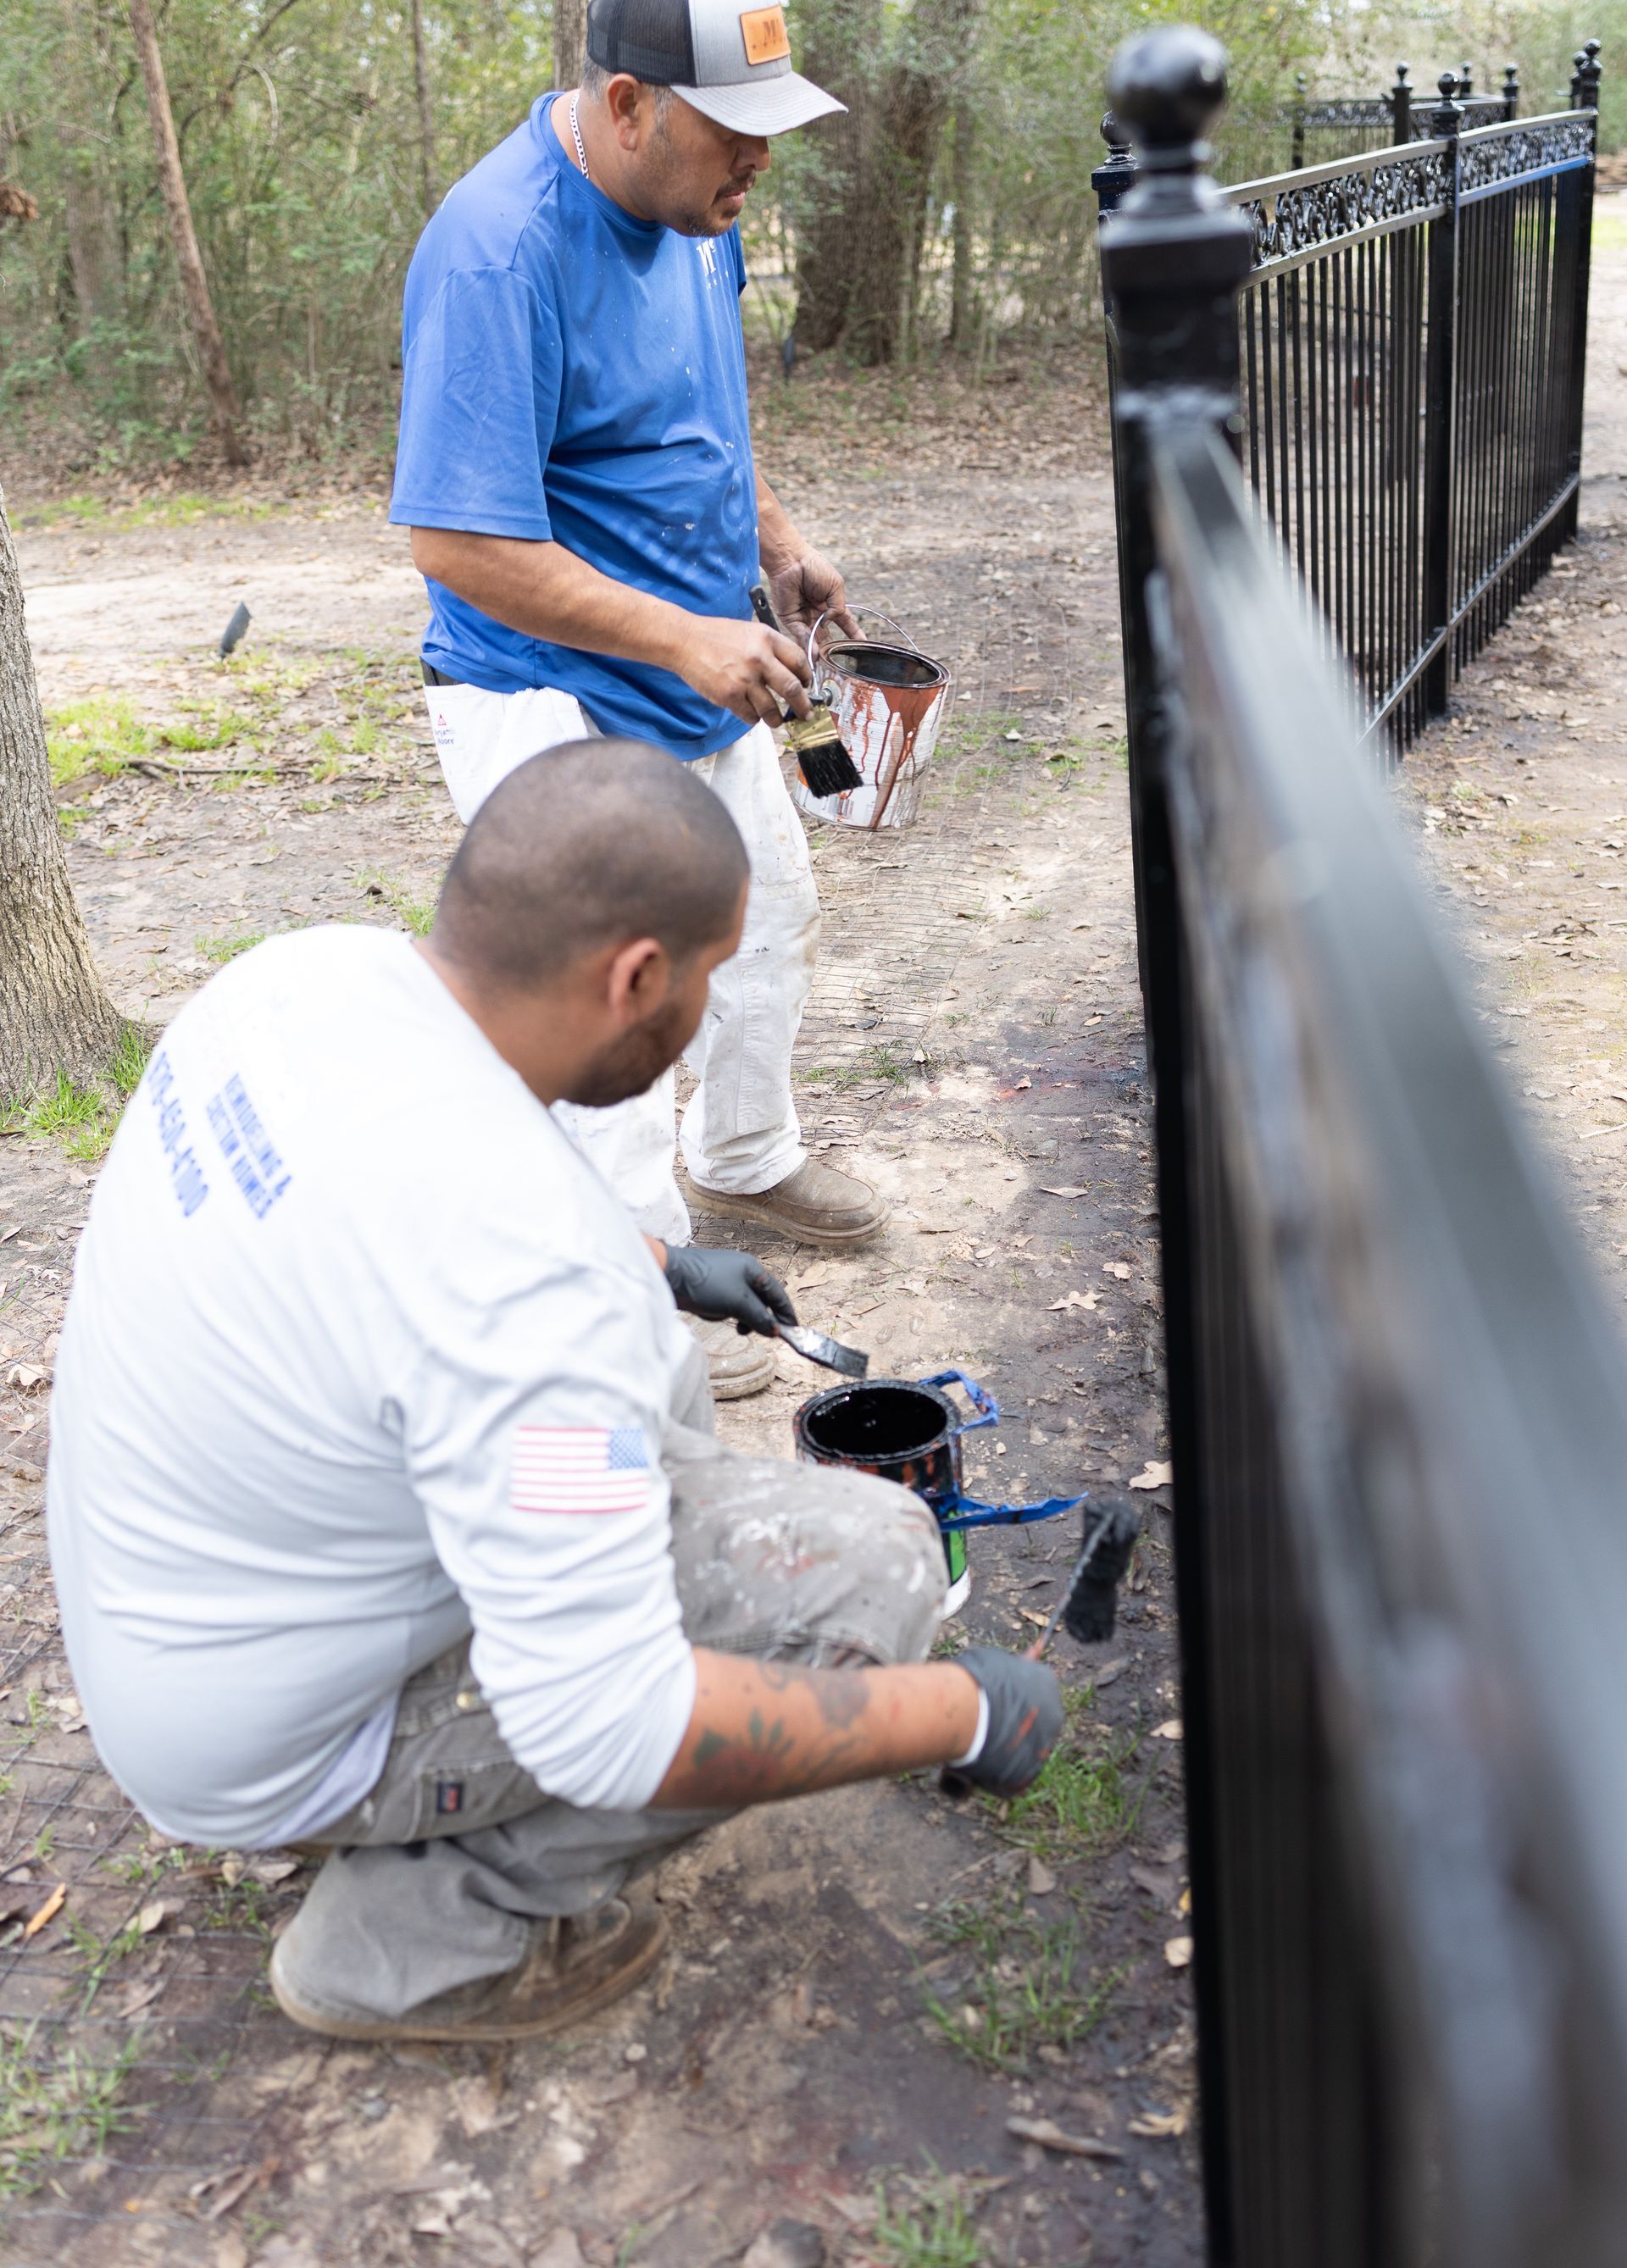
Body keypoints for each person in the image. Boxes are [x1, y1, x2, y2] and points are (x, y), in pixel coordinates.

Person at [47, 742, 1062, 2045]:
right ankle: (418, 1936)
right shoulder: (533, 1300)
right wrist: (960, 1712)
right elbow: (605, 1727)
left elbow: (387, 1237)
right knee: (871, 1564)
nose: (704, 1007)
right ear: (638, 975)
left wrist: (659, 1263)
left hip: (186, 1630)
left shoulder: (302, 979)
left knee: (651, 1474)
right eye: (710, 975)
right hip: (279, 1740)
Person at [390, 0, 881, 1403]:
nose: (759, 166)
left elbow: (704, 412)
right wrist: (686, 635)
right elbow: (458, 542)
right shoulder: (498, 248)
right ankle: (639, 1296)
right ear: (626, 105)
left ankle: (747, 1163)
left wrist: (776, 546)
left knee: (769, 918)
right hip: (546, 696)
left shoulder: (697, 208)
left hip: (700, 666)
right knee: (613, 1008)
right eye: (738, 132)